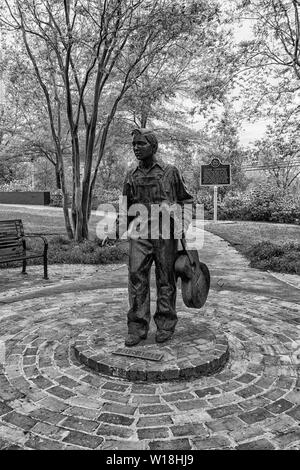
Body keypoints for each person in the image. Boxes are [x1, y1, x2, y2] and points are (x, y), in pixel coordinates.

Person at [105, 128, 194, 347]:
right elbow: (125, 208)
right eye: (134, 144)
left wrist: (181, 223)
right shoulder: (131, 175)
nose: (136, 148)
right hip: (140, 233)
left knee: (166, 279)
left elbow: (187, 201)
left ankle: (165, 324)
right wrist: (115, 231)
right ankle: (137, 327)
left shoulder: (170, 171)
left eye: (141, 144)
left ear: (153, 147)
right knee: (136, 278)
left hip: (165, 234)